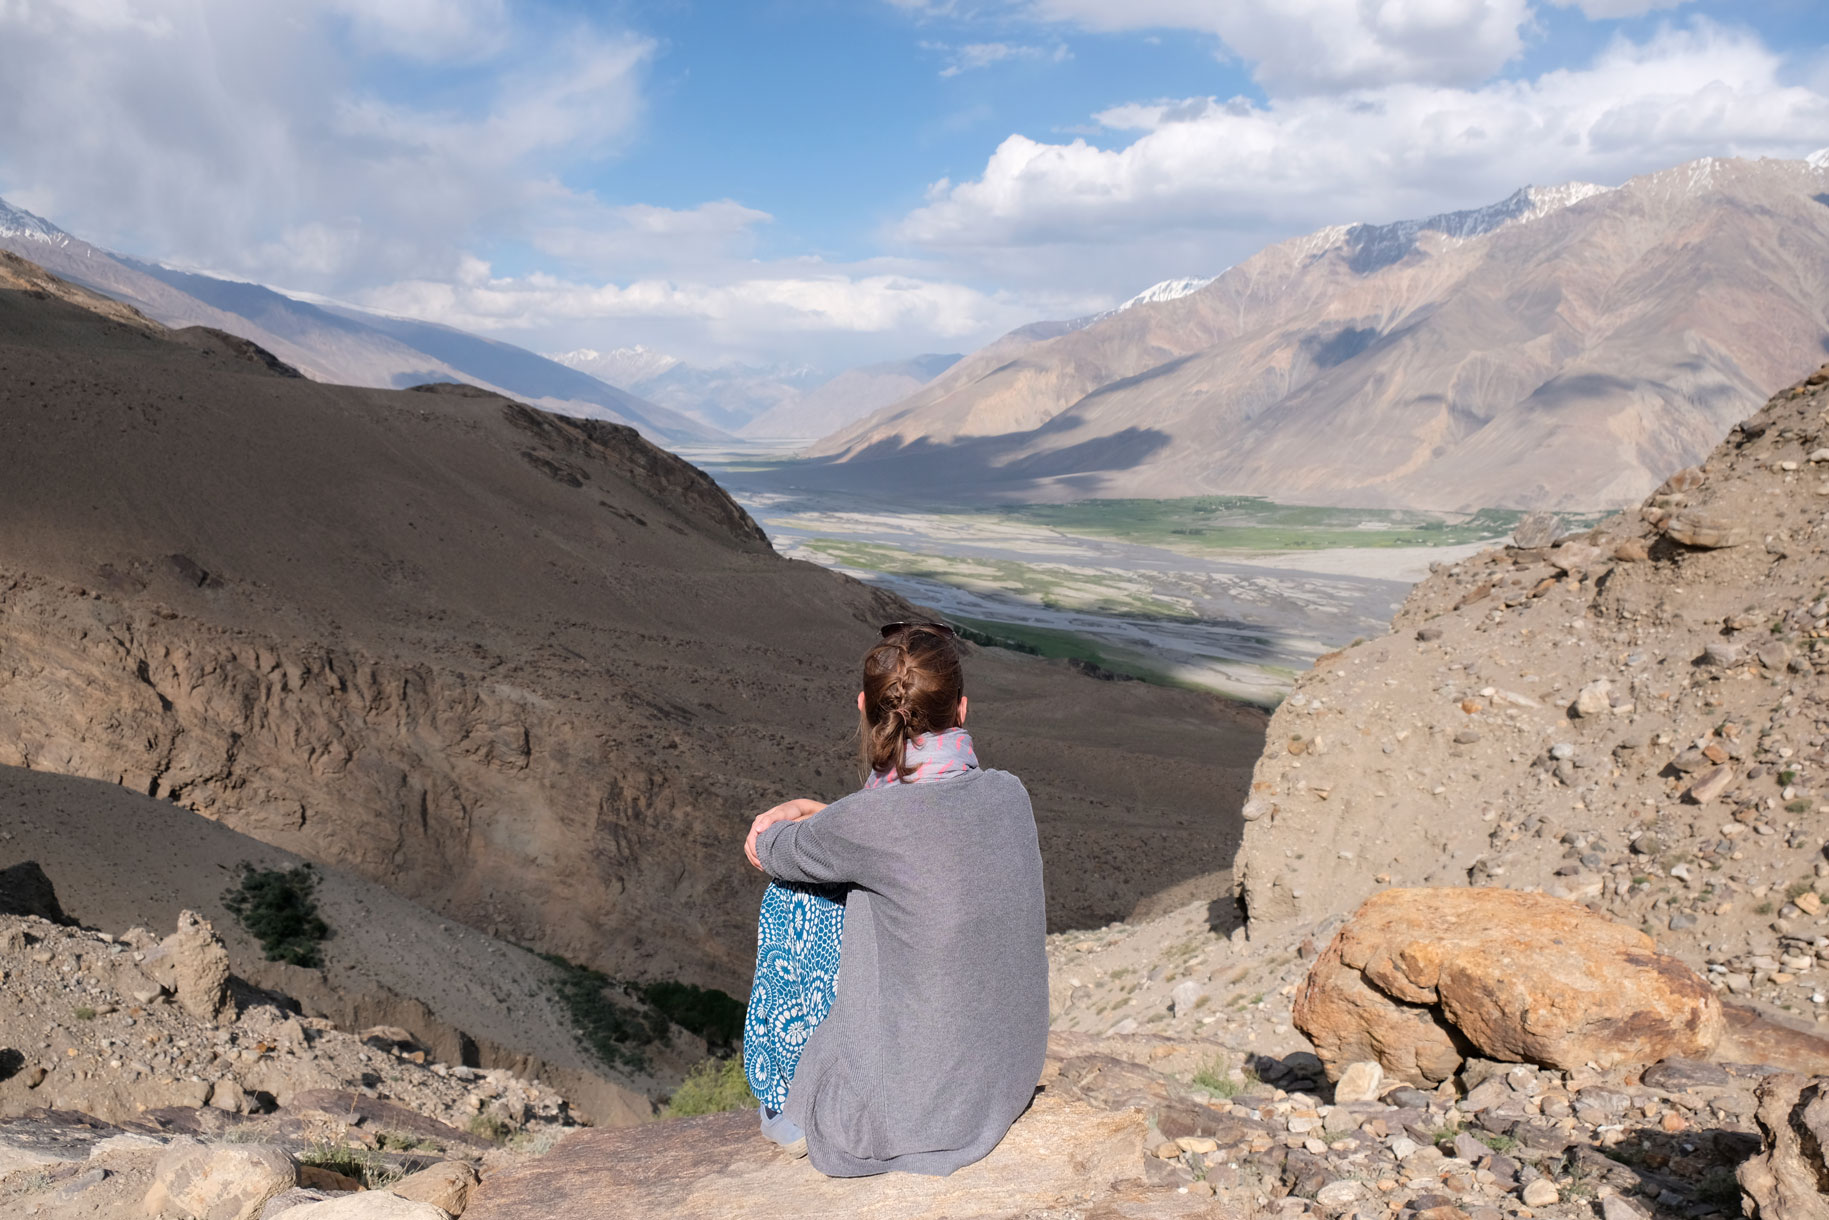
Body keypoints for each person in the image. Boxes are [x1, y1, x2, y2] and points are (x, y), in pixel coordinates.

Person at [740, 621, 1049, 1177]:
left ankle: (785, 1099)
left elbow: (771, 850)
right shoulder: (1010, 792)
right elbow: (913, 833)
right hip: (1003, 1086)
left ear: (865, 707)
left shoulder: (870, 821)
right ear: (962, 710)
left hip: (912, 1120)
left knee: (798, 896)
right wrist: (836, 818)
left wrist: (802, 819)